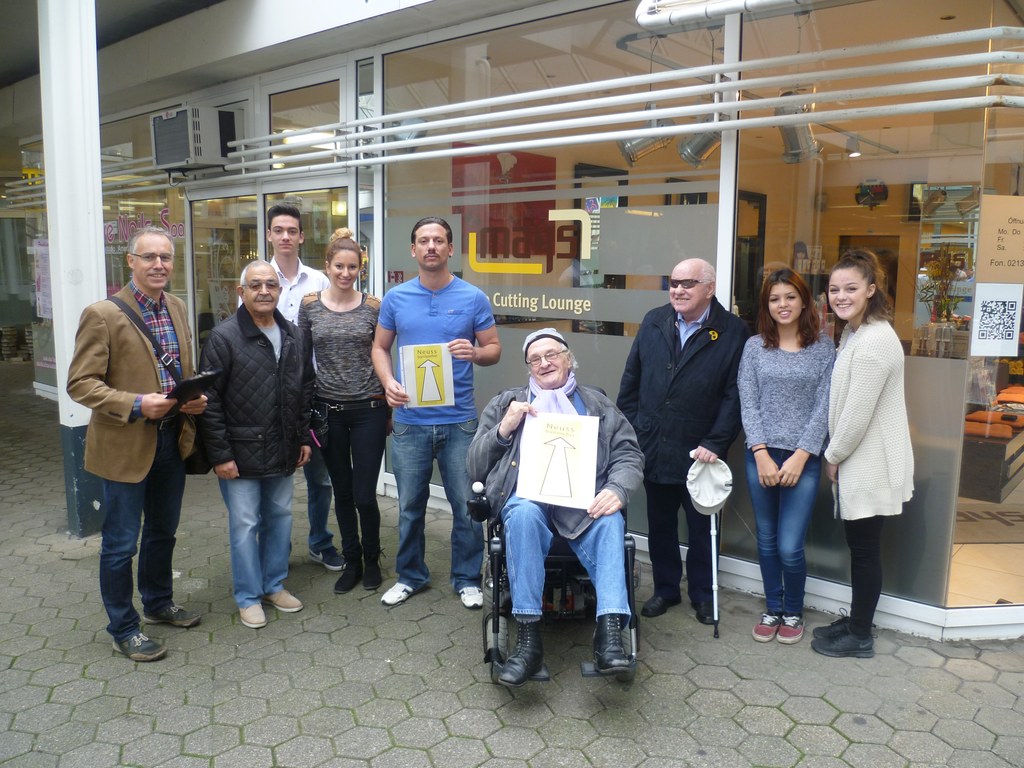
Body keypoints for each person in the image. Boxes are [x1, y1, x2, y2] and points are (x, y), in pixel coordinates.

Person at [467, 329, 644, 687]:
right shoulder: (506, 403)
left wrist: (617, 489)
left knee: (610, 519)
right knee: (522, 514)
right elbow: (473, 465)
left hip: (583, 501)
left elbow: (629, 454)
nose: (544, 363)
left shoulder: (596, 403)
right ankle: (529, 643)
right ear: (528, 367)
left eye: (552, 354)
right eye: (535, 358)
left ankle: (609, 637)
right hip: (527, 500)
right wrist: (504, 429)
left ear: (568, 358)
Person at [67, 226, 206, 662]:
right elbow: (80, 384)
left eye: (166, 257)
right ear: (131, 262)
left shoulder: (179, 307)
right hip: (126, 446)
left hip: (172, 440)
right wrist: (135, 404)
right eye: (149, 257)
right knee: (121, 543)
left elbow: (179, 370)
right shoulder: (103, 314)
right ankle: (123, 627)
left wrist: (191, 398)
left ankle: (158, 603)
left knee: (163, 531)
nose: (159, 265)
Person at [372, 216, 501, 609]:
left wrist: (476, 353)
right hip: (410, 423)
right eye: (423, 241)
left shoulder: (472, 297)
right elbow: (379, 348)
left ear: (450, 249)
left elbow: (494, 348)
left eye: (439, 241)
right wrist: (388, 382)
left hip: (460, 422)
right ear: (413, 249)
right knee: (409, 507)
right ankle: (411, 576)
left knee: (466, 508)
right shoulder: (396, 298)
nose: (431, 247)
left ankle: (466, 579)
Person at [617, 258, 748, 624]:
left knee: (703, 526)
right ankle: (665, 590)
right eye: (674, 282)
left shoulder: (734, 332)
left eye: (688, 283)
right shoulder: (654, 321)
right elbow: (632, 379)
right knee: (660, 523)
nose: (678, 290)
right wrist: (630, 431)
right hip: (654, 443)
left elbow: (734, 395)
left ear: (710, 287)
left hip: (701, 450)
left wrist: (717, 441)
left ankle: (704, 595)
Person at [199, 261, 313, 629]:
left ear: (279, 291)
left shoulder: (293, 334)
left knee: (280, 518)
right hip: (240, 452)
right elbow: (209, 401)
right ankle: (248, 596)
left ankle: (273, 585)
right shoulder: (223, 338)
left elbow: (304, 390)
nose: (264, 291)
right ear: (241, 291)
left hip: (282, 448)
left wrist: (303, 438)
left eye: (270, 285)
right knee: (246, 524)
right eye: (255, 285)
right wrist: (221, 455)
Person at [812, 249, 913, 658]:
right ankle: (857, 621)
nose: (841, 296)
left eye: (851, 288)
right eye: (835, 289)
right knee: (862, 548)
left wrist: (832, 455)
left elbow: (856, 414)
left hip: (871, 463)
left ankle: (860, 635)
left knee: (866, 550)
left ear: (871, 290)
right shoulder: (856, 332)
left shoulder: (872, 342)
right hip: (866, 460)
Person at [738, 268, 834, 645]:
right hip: (760, 455)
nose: (783, 305)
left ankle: (794, 609)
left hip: (803, 458)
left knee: (789, 544)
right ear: (766, 304)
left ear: (804, 300)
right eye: (775, 298)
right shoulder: (754, 347)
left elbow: (824, 407)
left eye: (790, 297)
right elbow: (749, 402)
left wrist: (800, 456)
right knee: (765, 538)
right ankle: (773, 607)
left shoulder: (824, 348)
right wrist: (761, 453)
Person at [298, 230, 387, 594]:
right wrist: (302, 414)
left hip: (369, 409)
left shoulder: (374, 306)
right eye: (339, 266)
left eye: (353, 267)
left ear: (360, 268)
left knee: (365, 494)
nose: (346, 273)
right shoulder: (309, 306)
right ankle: (351, 561)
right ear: (328, 267)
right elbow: (302, 363)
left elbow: (383, 354)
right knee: (343, 491)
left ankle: (372, 558)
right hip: (328, 411)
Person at [265, 203, 339, 573]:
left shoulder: (320, 282)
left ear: (301, 236)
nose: (285, 237)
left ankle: (320, 543)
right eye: (278, 230)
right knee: (272, 479)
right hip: (271, 396)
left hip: (314, 394)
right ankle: (273, 551)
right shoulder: (259, 279)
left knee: (320, 478)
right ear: (269, 235)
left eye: (291, 231)